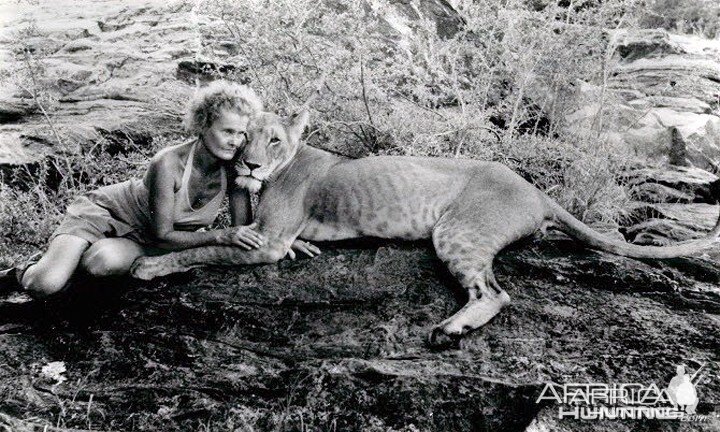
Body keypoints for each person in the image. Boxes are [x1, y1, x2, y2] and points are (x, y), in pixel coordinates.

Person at [0, 81, 319, 298]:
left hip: (148, 239)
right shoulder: (167, 163)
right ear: (203, 124)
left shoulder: (234, 163)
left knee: (103, 263)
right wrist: (220, 236)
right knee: (45, 284)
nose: (236, 141)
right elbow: (168, 233)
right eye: (227, 131)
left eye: (242, 134)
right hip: (108, 215)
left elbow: (243, 230)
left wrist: (282, 237)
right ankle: (20, 272)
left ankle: (72, 262)